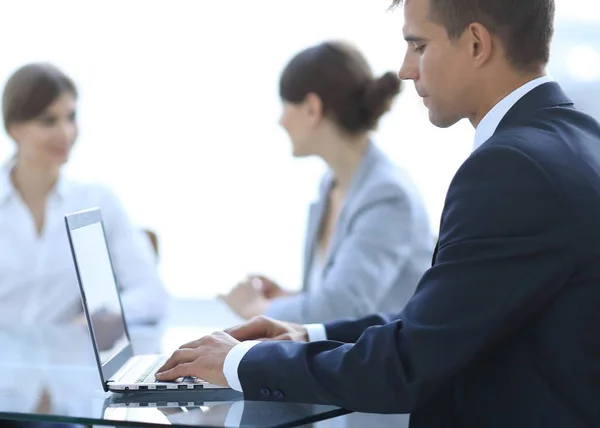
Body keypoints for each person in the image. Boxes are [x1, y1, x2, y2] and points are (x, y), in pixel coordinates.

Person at [156, 0, 600, 426]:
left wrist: (241, 360)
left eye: (419, 46)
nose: (406, 69)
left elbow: (410, 363)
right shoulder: (579, 140)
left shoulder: (511, 167)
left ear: (477, 45)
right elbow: (449, 320)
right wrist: (309, 334)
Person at [219, 41, 432, 328]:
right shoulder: (331, 184)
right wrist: (287, 298)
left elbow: (341, 310)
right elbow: (335, 298)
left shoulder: (388, 195)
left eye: (285, 105)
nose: (280, 120)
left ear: (311, 108)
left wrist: (257, 307)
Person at [0, 63, 168, 325]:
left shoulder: (96, 202)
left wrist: (93, 320)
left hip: (64, 362)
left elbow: (152, 294)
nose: (66, 133)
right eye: (49, 121)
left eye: (71, 117)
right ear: (14, 127)